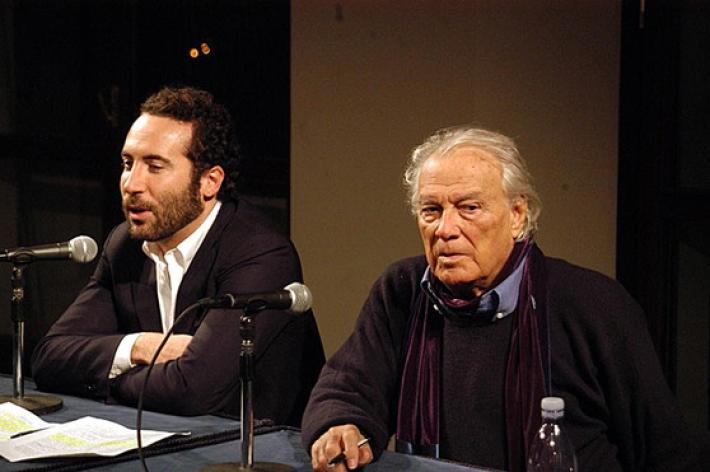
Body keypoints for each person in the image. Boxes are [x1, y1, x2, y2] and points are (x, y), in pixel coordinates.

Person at [302, 126, 699, 471]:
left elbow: (665, 448)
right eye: (431, 210)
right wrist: (341, 425)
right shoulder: (403, 291)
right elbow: (349, 387)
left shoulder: (592, 305)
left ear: (518, 215)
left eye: (469, 208)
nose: (445, 229)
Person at [31, 86, 325, 427]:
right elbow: (50, 358)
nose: (131, 184)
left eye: (155, 167)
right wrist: (141, 347)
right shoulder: (125, 245)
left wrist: (109, 378)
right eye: (128, 164)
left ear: (209, 182)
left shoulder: (260, 253)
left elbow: (192, 389)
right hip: (159, 433)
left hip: (259, 445)